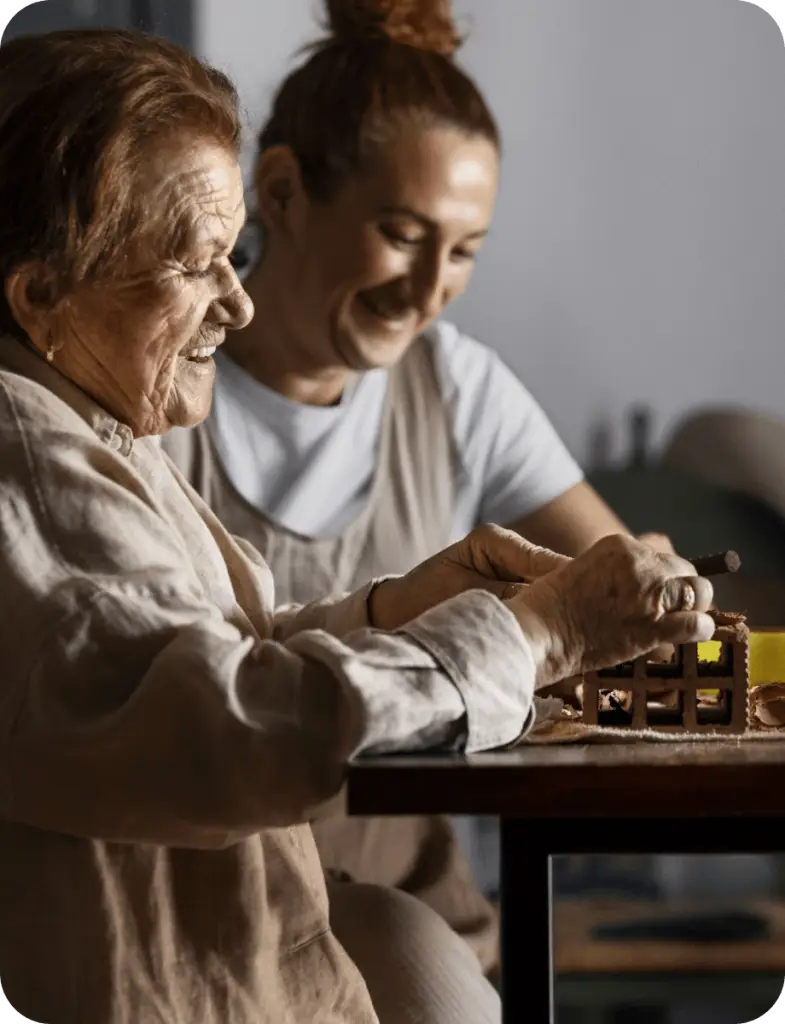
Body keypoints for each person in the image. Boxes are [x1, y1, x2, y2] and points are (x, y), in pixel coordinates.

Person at [0, 25, 713, 1024]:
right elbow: (220, 727)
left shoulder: (97, 426)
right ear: (40, 297)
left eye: (230, 256)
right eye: (198, 262)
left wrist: (396, 607)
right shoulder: (27, 455)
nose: (235, 305)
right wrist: (539, 629)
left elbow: (174, 662)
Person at [162, 0, 672, 976]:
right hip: (206, 938)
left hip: (423, 923)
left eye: (465, 249)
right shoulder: (160, 386)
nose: (431, 284)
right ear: (281, 188)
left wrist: (644, 589)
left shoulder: (455, 385)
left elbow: (613, 589)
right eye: (400, 233)